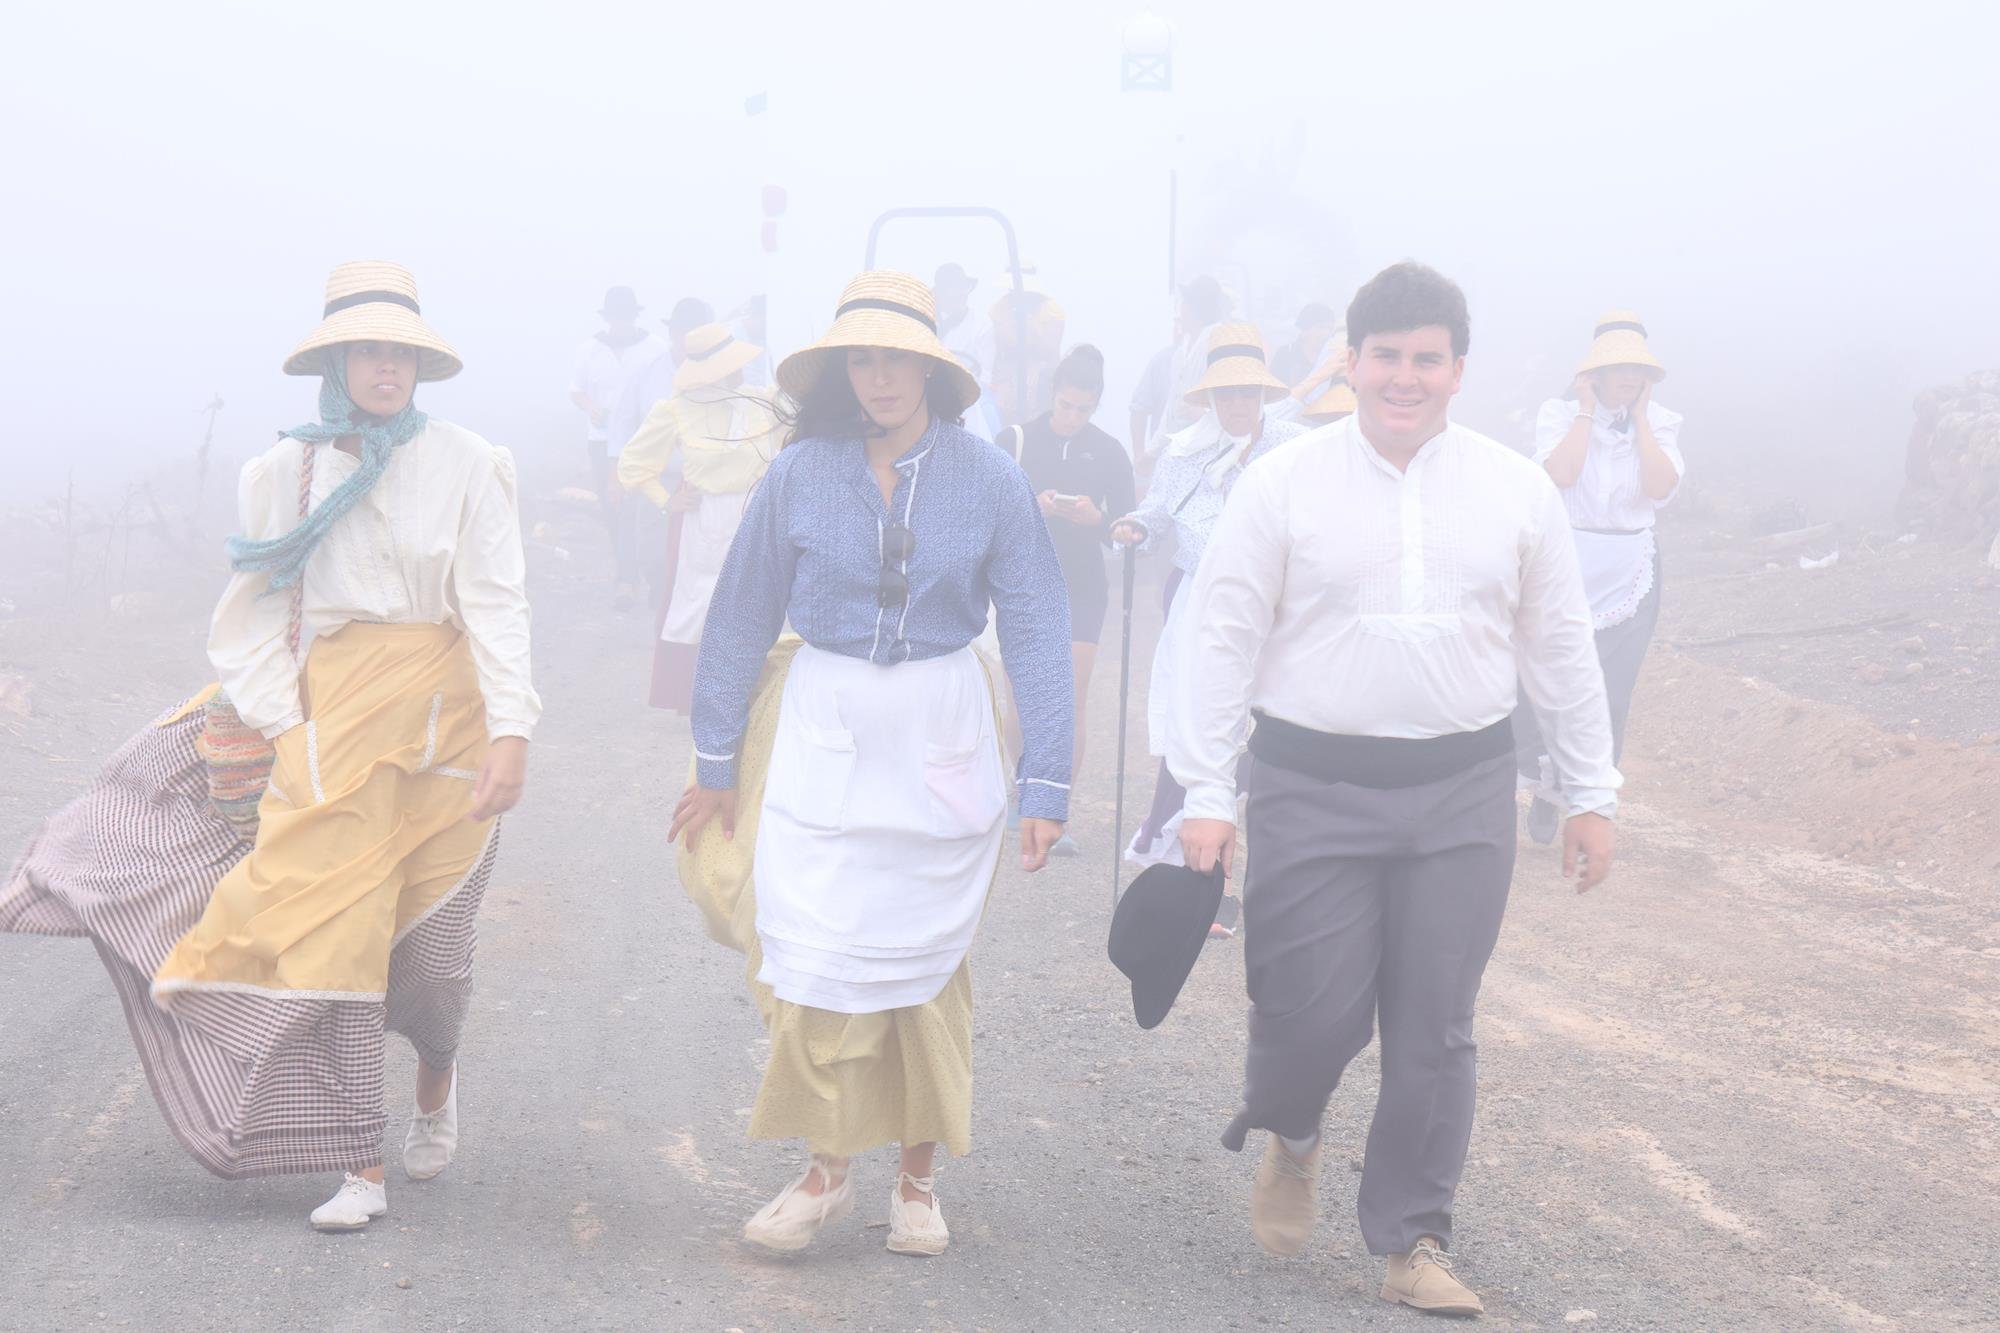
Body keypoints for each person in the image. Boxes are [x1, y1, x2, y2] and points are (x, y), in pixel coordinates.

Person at [2, 261, 538, 1231]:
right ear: (334, 358)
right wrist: (283, 727)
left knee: (431, 958)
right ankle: (356, 1165)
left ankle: (436, 1069)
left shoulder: (468, 462)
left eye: (401, 351)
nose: (387, 366)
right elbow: (247, 620)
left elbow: (496, 602)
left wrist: (512, 727)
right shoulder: (282, 474)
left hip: (444, 740)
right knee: (331, 942)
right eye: (369, 349)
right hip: (328, 732)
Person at [1170, 262, 1619, 1316]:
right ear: (1352, 362)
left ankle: (1410, 1237)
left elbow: (1558, 646)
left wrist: (1590, 790)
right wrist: (1205, 791)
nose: (1403, 378)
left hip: (1462, 788)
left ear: (1457, 369)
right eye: (1385, 358)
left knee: (1435, 1023)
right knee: (1306, 1015)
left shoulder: (1513, 490)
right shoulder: (1281, 483)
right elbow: (1222, 636)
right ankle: (1292, 1126)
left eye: (1426, 359)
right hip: (1309, 783)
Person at [668, 270, 1072, 1258]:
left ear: (934, 368)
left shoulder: (991, 481)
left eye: (896, 358)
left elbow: (1033, 628)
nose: (878, 377)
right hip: (823, 726)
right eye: (861, 358)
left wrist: (1047, 779)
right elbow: (737, 617)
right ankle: (824, 1168)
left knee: (923, 966)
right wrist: (714, 755)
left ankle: (917, 1180)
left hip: (940, 727)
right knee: (812, 955)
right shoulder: (798, 474)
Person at [1112, 324, 1307, 934]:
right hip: (1198, 595)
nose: (1237, 405)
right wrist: (1136, 527)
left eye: (1247, 393)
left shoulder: (1296, 450)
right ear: (1210, 398)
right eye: (1225, 394)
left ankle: (1266, 870)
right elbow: (1159, 511)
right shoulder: (1184, 449)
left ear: (1263, 395)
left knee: (1266, 728)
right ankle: (1193, 876)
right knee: (1198, 723)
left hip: (1277, 603)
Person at [1514, 311, 1683, 843]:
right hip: (1564, 559)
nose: (1628, 378)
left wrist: (1643, 423)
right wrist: (1586, 412)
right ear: (1595, 373)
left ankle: (1574, 798)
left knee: (1610, 688)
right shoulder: (1557, 414)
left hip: (1631, 566)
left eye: (1638, 369)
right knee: (1543, 681)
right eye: (1617, 368)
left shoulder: (1666, 423)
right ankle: (1542, 783)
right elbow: (1560, 475)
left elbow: (1658, 488)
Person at [997, 344, 1137, 854]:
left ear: (1096, 406)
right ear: (1052, 395)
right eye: (1065, 406)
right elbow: (990, 516)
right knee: (1021, 697)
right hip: (1024, 581)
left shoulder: (1109, 451)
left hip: (1082, 582)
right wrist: (1031, 508)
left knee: (1069, 697)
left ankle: (1055, 806)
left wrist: (1095, 519)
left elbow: (1127, 526)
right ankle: (1023, 786)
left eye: (1083, 410)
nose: (1072, 417)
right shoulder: (1016, 440)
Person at [617, 322, 783, 713]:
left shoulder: (762, 401)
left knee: (755, 603)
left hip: (754, 514)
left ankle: (749, 691)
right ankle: (705, 695)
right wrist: (666, 500)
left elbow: (800, 432)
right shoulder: (675, 410)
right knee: (703, 608)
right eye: (731, 363)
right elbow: (634, 464)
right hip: (704, 518)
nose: (740, 369)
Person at [572, 286, 669, 608]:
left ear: (634, 317)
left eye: (625, 317)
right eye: (616, 318)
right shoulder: (589, 350)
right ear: (608, 318)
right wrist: (591, 408)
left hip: (646, 441)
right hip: (602, 441)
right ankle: (626, 577)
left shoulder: (656, 349)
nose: (620, 324)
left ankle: (655, 575)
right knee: (614, 506)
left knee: (651, 507)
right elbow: (578, 390)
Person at [1270, 301, 1341, 388]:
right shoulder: (1285, 354)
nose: (1327, 333)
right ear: (1304, 331)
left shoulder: (1335, 357)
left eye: (1330, 328)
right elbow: (1275, 390)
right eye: (1321, 327)